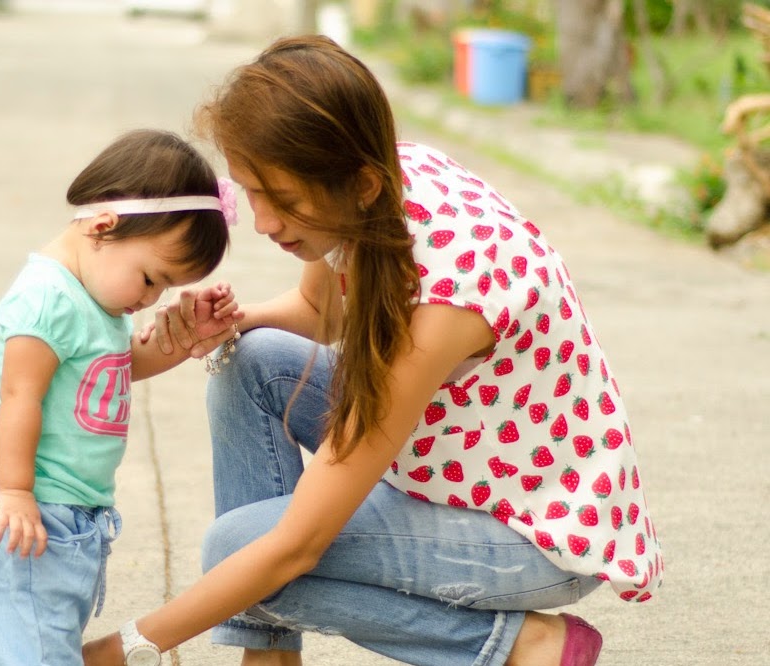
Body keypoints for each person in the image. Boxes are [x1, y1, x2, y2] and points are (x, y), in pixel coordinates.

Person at [84, 37, 663, 666]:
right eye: (251, 192)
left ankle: (524, 645)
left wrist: (121, 650)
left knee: (239, 548)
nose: (264, 223)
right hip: (457, 462)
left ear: (358, 183)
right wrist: (229, 323)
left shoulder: (447, 301)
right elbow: (317, 313)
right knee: (250, 362)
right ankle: (268, 655)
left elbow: (297, 546)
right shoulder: (379, 180)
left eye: (285, 200)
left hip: (534, 533)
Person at [0, 129, 242, 666]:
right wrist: (13, 491)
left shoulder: (95, 301)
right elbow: (20, 396)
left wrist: (186, 341)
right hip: (28, 506)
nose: (150, 298)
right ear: (104, 226)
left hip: (70, 516)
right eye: (152, 278)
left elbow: (115, 367)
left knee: (40, 648)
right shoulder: (47, 297)